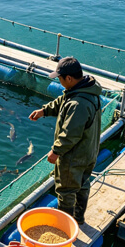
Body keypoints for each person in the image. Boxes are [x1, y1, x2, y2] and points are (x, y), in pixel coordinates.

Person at [29, 57, 102, 225]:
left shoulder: (78, 103)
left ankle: (64, 226)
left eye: (60, 78)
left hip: (74, 156)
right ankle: (78, 218)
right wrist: (44, 111)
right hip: (88, 151)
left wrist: (56, 151)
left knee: (66, 190)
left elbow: (70, 134)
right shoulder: (85, 89)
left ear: (69, 78)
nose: (59, 81)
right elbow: (64, 100)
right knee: (82, 184)